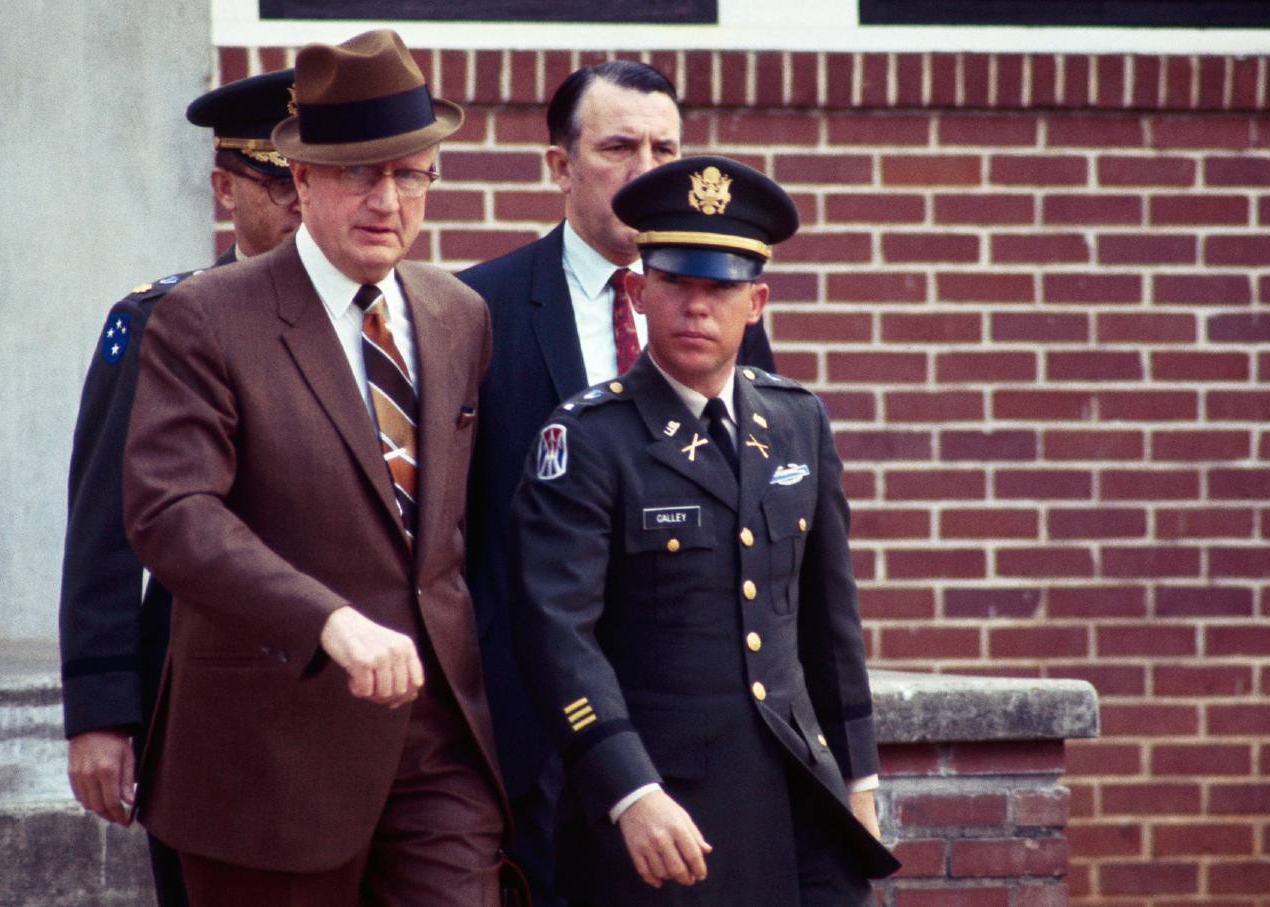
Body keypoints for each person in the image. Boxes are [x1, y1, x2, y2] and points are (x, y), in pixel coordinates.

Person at [121, 29, 506, 907]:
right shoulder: (204, 319)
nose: (387, 199)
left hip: (438, 748)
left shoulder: (460, 315)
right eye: (357, 174)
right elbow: (171, 512)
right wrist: (325, 618)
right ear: (301, 178)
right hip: (269, 754)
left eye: (410, 173)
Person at [509, 156, 901, 907]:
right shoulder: (589, 438)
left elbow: (829, 621)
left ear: (756, 302)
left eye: (718, 288)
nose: (696, 307)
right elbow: (558, 635)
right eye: (676, 283)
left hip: (799, 801)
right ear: (639, 290)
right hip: (662, 816)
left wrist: (858, 779)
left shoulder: (795, 420)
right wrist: (629, 789)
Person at [457, 60, 774, 905]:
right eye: (619, 147)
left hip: (695, 745)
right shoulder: (475, 312)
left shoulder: (722, 315)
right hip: (530, 744)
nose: (648, 170)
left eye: (666, 147)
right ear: (558, 165)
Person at [58, 66, 298, 907]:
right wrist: (99, 709)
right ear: (226, 188)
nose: (303, 202)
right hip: (203, 688)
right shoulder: (164, 320)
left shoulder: (393, 325)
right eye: (281, 182)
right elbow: (102, 527)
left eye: (321, 176)